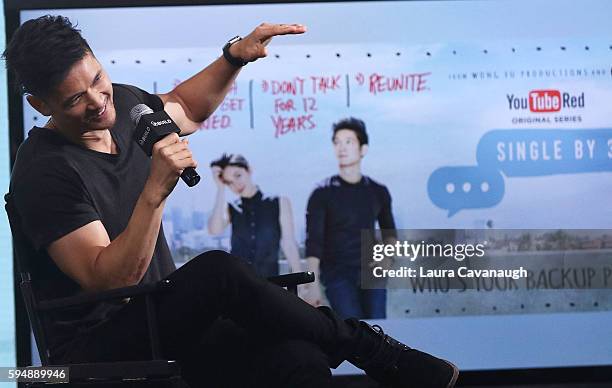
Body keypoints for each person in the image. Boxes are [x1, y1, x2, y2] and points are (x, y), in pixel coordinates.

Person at [4, 15, 458, 388]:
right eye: (76, 99)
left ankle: (367, 351)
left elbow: (185, 105)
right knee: (218, 272)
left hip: (161, 320)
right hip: (98, 347)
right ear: (40, 105)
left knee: (296, 355)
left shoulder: (123, 105)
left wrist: (232, 58)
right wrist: (155, 191)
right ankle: (370, 348)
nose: (99, 103)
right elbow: (109, 279)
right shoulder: (43, 173)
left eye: (99, 79)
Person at [306, 117, 396, 319]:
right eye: (337, 142)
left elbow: (389, 232)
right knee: (353, 329)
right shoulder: (322, 193)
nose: (342, 148)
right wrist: (312, 285)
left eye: (349, 142)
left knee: (378, 329)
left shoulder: (378, 191)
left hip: (372, 272)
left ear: (363, 149)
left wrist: (387, 258)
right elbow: (314, 242)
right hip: (337, 274)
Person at [207, 154, 303, 278]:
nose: (236, 184)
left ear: (249, 170)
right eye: (229, 182)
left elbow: (288, 243)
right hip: (238, 282)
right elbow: (214, 230)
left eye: (238, 175)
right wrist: (220, 189)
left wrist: (300, 282)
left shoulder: (279, 202)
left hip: (270, 282)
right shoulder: (231, 208)